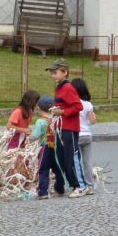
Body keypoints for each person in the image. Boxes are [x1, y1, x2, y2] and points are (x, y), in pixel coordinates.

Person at [46, 59, 85, 199]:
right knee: (62, 159)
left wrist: (62, 112)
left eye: (55, 72)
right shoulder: (59, 87)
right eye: (52, 72)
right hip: (61, 128)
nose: (52, 75)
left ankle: (80, 186)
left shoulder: (68, 88)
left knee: (71, 157)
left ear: (65, 72)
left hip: (69, 128)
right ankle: (71, 184)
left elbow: (77, 106)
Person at [31, 96, 63, 200]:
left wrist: (29, 137)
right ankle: (60, 188)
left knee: (43, 169)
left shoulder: (40, 122)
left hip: (44, 147)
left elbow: (35, 136)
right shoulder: (55, 118)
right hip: (56, 147)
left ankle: (43, 191)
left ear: (39, 108)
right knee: (57, 168)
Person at [72, 78, 96, 195]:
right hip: (87, 135)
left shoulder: (72, 104)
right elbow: (93, 121)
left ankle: (80, 185)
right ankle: (90, 186)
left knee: (75, 161)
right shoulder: (88, 104)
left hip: (76, 135)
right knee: (87, 162)